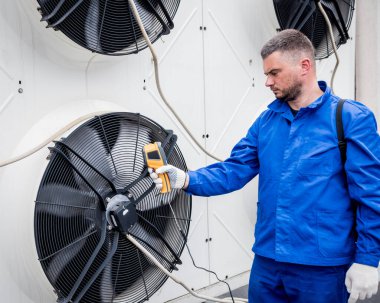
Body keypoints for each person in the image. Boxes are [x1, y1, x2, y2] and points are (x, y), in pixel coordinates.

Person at [148, 29, 380, 303]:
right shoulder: (267, 122)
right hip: (268, 262)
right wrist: (185, 179)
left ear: (304, 66)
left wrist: (367, 258)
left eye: (274, 73)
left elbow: (370, 193)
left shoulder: (350, 118)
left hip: (322, 267)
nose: (268, 82)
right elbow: (233, 170)